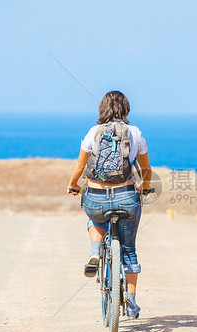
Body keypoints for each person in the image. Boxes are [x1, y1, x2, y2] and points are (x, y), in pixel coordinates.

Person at [67, 91, 152, 319]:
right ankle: (132, 302)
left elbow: (79, 167)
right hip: (127, 197)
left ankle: (95, 251)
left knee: (95, 219)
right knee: (129, 251)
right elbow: (145, 170)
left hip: (96, 196)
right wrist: (145, 188)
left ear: (101, 109)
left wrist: (72, 185)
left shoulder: (93, 133)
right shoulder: (134, 133)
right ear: (126, 109)